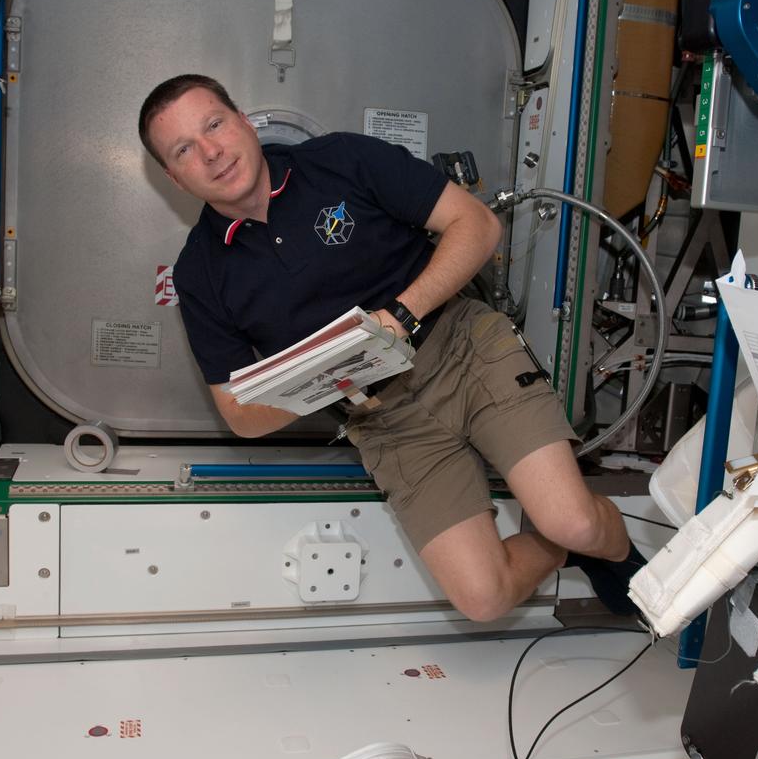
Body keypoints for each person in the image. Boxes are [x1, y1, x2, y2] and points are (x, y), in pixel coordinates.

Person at [139, 73, 643, 621]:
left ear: (242, 119)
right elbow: (238, 415)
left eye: (214, 124)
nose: (211, 152)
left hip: (461, 350)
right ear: (175, 179)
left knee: (574, 518)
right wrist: (331, 373)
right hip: (380, 417)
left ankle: (610, 547)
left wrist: (400, 316)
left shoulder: (343, 161)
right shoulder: (199, 273)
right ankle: (563, 546)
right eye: (185, 150)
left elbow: (474, 225)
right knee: (484, 598)